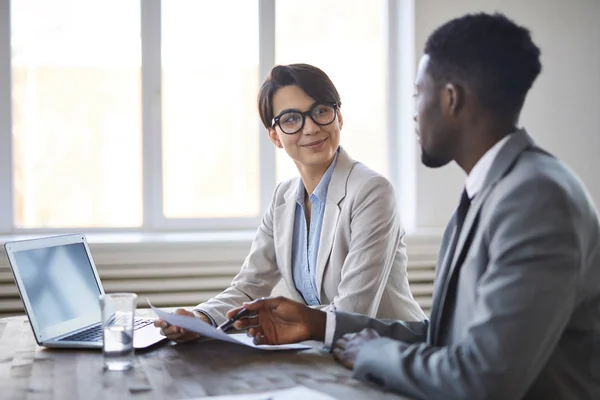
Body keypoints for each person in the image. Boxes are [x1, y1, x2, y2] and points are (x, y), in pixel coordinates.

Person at [229, 13, 600, 400]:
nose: (414, 112)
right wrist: (318, 325)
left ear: (450, 98)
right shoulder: (491, 190)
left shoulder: (536, 199)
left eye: (418, 93)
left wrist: (370, 350)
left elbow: (484, 378)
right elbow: (444, 337)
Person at [154, 63, 426, 342]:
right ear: (275, 136)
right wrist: (200, 318)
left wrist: (281, 318)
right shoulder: (282, 198)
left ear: (339, 118)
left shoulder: (372, 191)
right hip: (327, 353)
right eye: (291, 119)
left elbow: (353, 309)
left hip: (394, 352)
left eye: (321, 111)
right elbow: (249, 287)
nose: (310, 128)